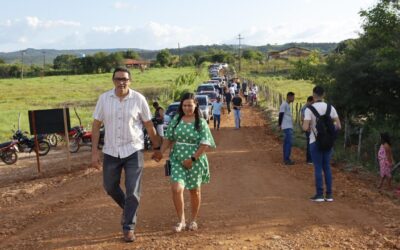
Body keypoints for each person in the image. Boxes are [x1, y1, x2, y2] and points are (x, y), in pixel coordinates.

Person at [91, 66, 161, 242]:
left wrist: (156, 147)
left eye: (125, 79)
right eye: (118, 79)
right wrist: (94, 152)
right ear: (113, 80)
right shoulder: (104, 99)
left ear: (130, 81)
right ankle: (127, 208)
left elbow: (148, 125)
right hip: (111, 151)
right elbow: (95, 125)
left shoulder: (139, 99)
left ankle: (128, 227)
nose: (121, 82)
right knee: (110, 186)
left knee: (133, 191)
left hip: (133, 150)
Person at [152, 93, 215, 233]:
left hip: (195, 161)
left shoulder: (201, 122)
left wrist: (192, 159)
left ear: (195, 105)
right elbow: (168, 138)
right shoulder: (177, 119)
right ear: (181, 106)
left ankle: (193, 220)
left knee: (194, 191)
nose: (187, 108)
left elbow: (205, 143)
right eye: (185, 105)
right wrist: (161, 152)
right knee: (176, 189)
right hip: (177, 159)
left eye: (190, 105)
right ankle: (181, 220)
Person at [303, 86, 341, 202]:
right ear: (324, 94)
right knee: (327, 167)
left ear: (313, 95)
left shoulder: (309, 109)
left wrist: (311, 128)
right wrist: (329, 133)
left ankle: (319, 195)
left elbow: (305, 127)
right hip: (328, 142)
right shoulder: (331, 108)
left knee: (318, 167)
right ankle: (329, 195)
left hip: (315, 141)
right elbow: (339, 126)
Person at [279, 92, 295, 165]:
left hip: (288, 126)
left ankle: (286, 158)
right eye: (293, 97)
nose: (294, 98)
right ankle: (287, 159)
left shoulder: (287, 105)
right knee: (288, 143)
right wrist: (279, 125)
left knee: (287, 143)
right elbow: (281, 114)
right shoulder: (284, 104)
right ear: (289, 97)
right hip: (286, 126)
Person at [301, 96, 314, 164]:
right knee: (310, 143)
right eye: (312, 102)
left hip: (308, 127)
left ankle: (310, 159)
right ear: (309, 101)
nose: (313, 104)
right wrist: (308, 127)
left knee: (310, 142)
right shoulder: (306, 108)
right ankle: (309, 160)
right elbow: (303, 118)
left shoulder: (305, 107)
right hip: (308, 128)